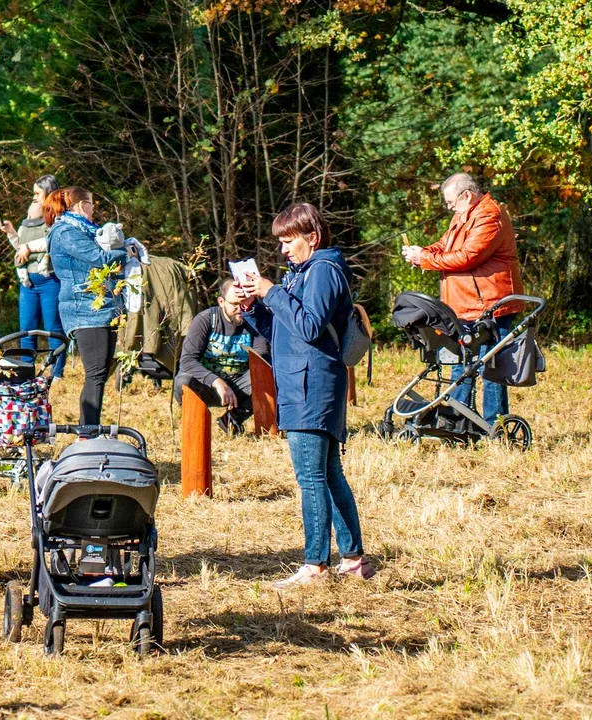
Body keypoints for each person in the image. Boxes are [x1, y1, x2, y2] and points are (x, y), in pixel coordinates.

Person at [240, 203, 374, 588]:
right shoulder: (302, 274)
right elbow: (283, 327)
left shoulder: (323, 272)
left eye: (288, 240)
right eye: (280, 242)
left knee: (311, 476)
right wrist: (254, 307)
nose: (283, 249)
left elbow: (312, 326)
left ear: (311, 238)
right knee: (330, 473)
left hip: (312, 386)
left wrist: (272, 291)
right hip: (303, 383)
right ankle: (353, 559)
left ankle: (315, 565)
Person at [401, 173, 525, 423]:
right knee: (461, 364)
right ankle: (458, 420)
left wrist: (425, 260)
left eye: (450, 202)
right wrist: (422, 252)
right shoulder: (464, 215)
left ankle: (494, 425)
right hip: (466, 304)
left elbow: (468, 256)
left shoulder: (489, 217)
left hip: (491, 304)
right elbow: (445, 245)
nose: (449, 208)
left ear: (467, 195)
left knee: (491, 368)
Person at [46, 186, 128, 426]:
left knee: (99, 374)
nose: (94, 210)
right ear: (81, 205)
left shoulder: (82, 230)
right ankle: (88, 432)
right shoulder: (65, 232)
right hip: (84, 310)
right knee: (95, 374)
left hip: (100, 308)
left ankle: (90, 430)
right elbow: (100, 258)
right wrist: (127, 252)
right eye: (91, 204)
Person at [174, 277, 271, 436]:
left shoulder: (254, 321)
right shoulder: (206, 320)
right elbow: (187, 360)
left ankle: (232, 420)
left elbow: (262, 359)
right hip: (208, 383)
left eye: (244, 304)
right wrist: (217, 382)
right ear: (221, 301)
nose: (240, 309)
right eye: (234, 304)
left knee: (268, 376)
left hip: (239, 384)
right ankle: (194, 426)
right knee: (182, 382)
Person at [0, 174, 67, 380]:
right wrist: (12, 233)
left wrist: (29, 247)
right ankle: (26, 371)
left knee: (53, 328)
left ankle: (56, 373)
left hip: (49, 281)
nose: (34, 197)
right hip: (28, 283)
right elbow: (22, 249)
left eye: (37, 193)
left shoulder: (59, 218)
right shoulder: (29, 220)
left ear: (49, 192)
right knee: (27, 328)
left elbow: (51, 242)